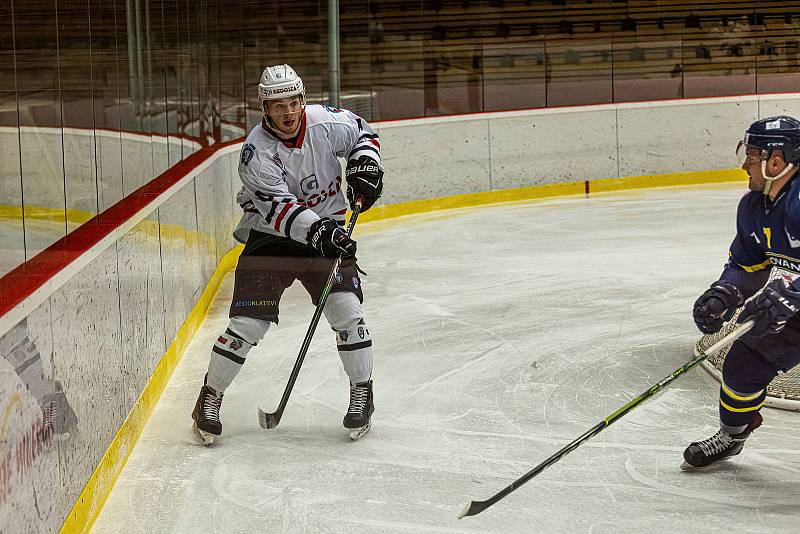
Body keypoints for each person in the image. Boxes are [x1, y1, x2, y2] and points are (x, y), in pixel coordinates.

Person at [191, 64, 384, 445]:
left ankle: (363, 392)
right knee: (247, 326)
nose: (288, 112)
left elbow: (364, 132)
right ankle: (208, 399)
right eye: (278, 105)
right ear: (265, 108)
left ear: (303, 100)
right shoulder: (254, 154)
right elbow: (280, 211)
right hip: (271, 238)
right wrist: (320, 231)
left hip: (326, 230)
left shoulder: (326, 121)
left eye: (293, 102)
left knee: (348, 311)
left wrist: (366, 165)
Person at [686, 115, 800, 468]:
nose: (744, 165)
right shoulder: (754, 208)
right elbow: (749, 264)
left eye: (751, 156)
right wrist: (724, 293)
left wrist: (794, 294)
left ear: (775, 161)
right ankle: (733, 435)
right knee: (743, 366)